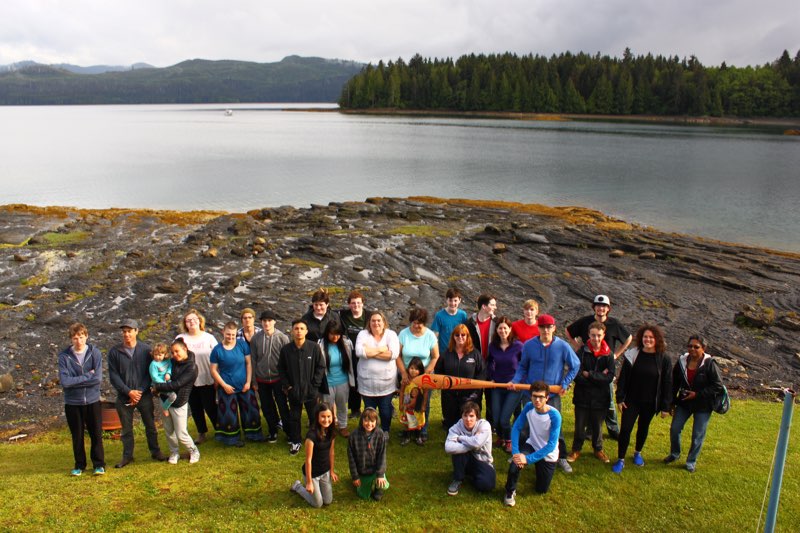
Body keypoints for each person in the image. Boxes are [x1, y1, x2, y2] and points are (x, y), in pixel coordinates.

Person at [510, 314, 579, 474]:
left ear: (554, 328)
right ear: (538, 328)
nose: (546, 330)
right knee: (526, 424)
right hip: (531, 394)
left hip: (551, 396)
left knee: (556, 426)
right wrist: (515, 380)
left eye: (549, 327)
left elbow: (575, 365)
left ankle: (560, 456)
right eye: (542, 327)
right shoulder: (529, 345)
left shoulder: (562, 346)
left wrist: (565, 382)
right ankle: (519, 454)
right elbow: (522, 367)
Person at [566, 294, 632, 440]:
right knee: (588, 400)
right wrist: (577, 346)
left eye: (604, 306)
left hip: (605, 369)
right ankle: (590, 431)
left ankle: (614, 429)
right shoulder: (585, 322)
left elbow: (629, 338)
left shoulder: (614, 324)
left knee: (608, 401)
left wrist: (617, 354)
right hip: (588, 366)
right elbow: (568, 331)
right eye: (598, 305)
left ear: (608, 308)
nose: (601, 308)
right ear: (594, 307)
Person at [612, 324, 672, 473]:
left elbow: (667, 382)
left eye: (651, 337)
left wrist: (666, 406)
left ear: (657, 339)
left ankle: (637, 453)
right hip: (631, 400)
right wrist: (620, 398)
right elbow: (623, 378)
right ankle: (620, 459)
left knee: (643, 428)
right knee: (625, 429)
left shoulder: (664, 358)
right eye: (645, 337)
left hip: (650, 402)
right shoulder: (633, 354)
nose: (648, 340)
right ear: (641, 338)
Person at [108, 319, 166, 467]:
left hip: (144, 395)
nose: (126, 334)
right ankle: (127, 456)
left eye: (129, 331)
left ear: (136, 331)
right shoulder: (115, 352)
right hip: (124, 396)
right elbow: (113, 376)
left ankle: (155, 451)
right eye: (124, 331)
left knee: (150, 425)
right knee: (126, 428)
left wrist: (139, 391)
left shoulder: (146, 350)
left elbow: (150, 373)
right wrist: (128, 392)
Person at [664, 335, 724, 473]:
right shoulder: (682, 361)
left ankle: (691, 461)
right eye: (690, 346)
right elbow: (674, 383)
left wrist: (697, 394)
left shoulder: (709, 363)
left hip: (703, 405)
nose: (692, 349)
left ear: (703, 348)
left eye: (696, 347)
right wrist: (671, 402)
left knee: (697, 434)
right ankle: (674, 454)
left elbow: (718, 385)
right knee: (675, 428)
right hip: (684, 402)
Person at [503, 381, 562, 506]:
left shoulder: (555, 416)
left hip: (548, 453)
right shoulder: (529, 407)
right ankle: (510, 491)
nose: (537, 400)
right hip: (532, 445)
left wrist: (528, 459)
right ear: (531, 396)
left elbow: (551, 445)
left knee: (541, 490)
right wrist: (516, 453)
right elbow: (516, 427)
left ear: (547, 398)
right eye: (535, 396)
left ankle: (538, 465)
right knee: (515, 464)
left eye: (541, 397)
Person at [58, 322, 105, 476]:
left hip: (92, 400)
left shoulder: (95, 353)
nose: (78, 341)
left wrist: (77, 380)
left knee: (96, 434)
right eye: (75, 338)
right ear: (71, 339)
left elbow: (97, 379)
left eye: (81, 337)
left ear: (86, 336)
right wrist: (87, 376)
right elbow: (65, 382)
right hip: (72, 403)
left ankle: (99, 464)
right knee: (77, 436)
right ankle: (79, 465)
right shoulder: (64, 357)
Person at [209, 321, 265, 446]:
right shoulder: (217, 350)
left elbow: (249, 364)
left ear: (236, 334)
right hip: (227, 387)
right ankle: (232, 439)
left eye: (233, 335)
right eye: (228, 334)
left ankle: (254, 435)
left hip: (244, 385)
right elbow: (213, 370)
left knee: (251, 410)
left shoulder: (242, 345)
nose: (230, 337)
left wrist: (248, 382)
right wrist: (224, 385)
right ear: (223, 332)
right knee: (229, 414)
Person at [567, 321, 615, 464]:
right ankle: (576, 449)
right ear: (588, 335)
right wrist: (598, 376)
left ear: (603, 335)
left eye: (599, 335)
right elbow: (576, 374)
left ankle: (598, 449)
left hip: (601, 398)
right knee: (580, 426)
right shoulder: (581, 352)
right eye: (593, 335)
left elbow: (610, 376)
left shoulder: (609, 355)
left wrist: (590, 375)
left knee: (597, 426)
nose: (596, 338)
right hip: (582, 396)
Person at [279, 319, 327, 455]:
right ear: (292, 331)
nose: (299, 331)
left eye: (301, 328)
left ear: (306, 331)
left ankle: (314, 440)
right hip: (293, 391)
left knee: (313, 417)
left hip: (311, 391)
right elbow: (281, 369)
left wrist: (315, 386)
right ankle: (295, 441)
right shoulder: (286, 350)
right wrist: (287, 387)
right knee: (294, 417)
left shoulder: (314, 348)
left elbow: (321, 366)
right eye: (296, 328)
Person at [153, 339, 200, 465]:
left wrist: (157, 387)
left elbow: (177, 385)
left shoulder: (192, 367)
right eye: (172, 352)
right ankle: (174, 453)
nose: (175, 355)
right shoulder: (171, 362)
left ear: (185, 349)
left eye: (177, 351)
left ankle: (193, 450)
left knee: (181, 433)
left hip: (179, 403)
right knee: (169, 431)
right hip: (165, 401)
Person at [176, 309, 219, 445]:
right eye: (188, 320)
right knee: (195, 408)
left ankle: (220, 429)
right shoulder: (180, 339)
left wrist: (218, 377)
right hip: (188, 381)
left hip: (207, 377)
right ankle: (202, 432)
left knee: (210, 406)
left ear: (200, 321)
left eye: (194, 319)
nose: (192, 322)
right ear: (185, 324)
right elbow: (175, 356)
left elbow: (218, 356)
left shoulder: (209, 337)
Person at [355, 311, 400, 436]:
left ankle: (385, 430)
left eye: (378, 320)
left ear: (384, 322)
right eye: (373, 321)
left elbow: (394, 354)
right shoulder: (362, 334)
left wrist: (369, 352)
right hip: (366, 383)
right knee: (369, 410)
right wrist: (382, 349)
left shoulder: (391, 335)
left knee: (385, 411)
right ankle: (370, 432)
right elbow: (359, 352)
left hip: (386, 383)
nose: (376, 323)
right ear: (369, 323)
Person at [397, 307, 439, 441]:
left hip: (424, 375)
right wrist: (403, 373)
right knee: (407, 402)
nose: (416, 326)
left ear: (424, 323)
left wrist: (426, 373)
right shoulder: (403, 334)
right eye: (414, 322)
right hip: (408, 374)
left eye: (419, 323)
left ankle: (422, 430)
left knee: (422, 403)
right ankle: (408, 429)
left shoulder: (430, 335)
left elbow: (435, 356)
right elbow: (397, 355)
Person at [250, 310, 290, 443]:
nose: (267, 323)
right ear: (261, 322)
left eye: (269, 320)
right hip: (262, 379)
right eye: (264, 321)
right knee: (267, 407)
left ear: (274, 322)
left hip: (278, 379)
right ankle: (272, 431)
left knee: (283, 406)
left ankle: (289, 432)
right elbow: (253, 360)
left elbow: (287, 362)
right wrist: (254, 381)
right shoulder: (255, 338)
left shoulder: (282, 338)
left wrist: (286, 382)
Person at [435, 324, 485, 430]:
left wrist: (475, 393)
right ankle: (453, 443)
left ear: (467, 336)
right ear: (453, 337)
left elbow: (482, 374)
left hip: (469, 397)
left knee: (469, 423)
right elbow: (438, 371)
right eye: (457, 335)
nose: (460, 337)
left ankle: (470, 444)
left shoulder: (475, 354)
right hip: (450, 396)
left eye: (463, 335)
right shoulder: (446, 354)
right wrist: (444, 386)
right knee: (451, 424)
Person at [290, 402, 339, 508]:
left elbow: (331, 452)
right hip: (313, 474)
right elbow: (308, 460)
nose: (326, 420)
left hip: (325, 471)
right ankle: (298, 486)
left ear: (332, 416)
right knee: (318, 504)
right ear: (317, 417)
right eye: (323, 416)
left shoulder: (332, 432)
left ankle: (319, 489)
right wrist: (309, 482)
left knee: (328, 501)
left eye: (328, 416)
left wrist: (331, 471)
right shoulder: (311, 436)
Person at [487, 316, 523, 453]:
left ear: (510, 329)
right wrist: (491, 377)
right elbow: (490, 362)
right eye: (500, 328)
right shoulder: (493, 346)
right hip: (498, 386)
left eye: (505, 328)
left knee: (504, 419)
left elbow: (524, 366)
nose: (502, 331)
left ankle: (509, 441)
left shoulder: (518, 346)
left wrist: (516, 381)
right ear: (496, 330)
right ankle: (501, 437)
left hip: (514, 387)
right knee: (496, 418)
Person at [445, 401, 496, 496]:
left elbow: (477, 443)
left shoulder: (484, 425)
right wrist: (472, 442)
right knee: (457, 452)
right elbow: (448, 448)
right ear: (462, 416)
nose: (468, 419)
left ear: (477, 417)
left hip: (483, 460)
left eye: (471, 416)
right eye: (465, 415)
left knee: (486, 486)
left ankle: (473, 474)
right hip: (465, 458)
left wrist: (460, 438)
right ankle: (458, 478)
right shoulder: (456, 427)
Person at [318, 321, 355, 437]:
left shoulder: (346, 343)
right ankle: (327, 427)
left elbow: (351, 362)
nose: (335, 337)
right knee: (327, 406)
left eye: (338, 334)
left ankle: (343, 426)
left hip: (342, 381)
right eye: (332, 334)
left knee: (342, 405)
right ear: (327, 333)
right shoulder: (320, 344)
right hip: (327, 382)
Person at [347, 407, 389, 501]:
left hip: (375, 470)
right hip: (362, 470)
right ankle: (363, 483)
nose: (369, 424)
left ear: (376, 421)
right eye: (366, 420)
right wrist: (355, 476)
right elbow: (351, 459)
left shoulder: (380, 434)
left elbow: (382, 456)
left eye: (372, 421)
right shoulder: (353, 436)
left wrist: (380, 474)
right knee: (363, 495)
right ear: (361, 420)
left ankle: (379, 488)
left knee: (381, 483)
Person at [339, 290, 369, 419]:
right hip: (350, 353)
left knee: (369, 379)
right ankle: (355, 409)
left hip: (366, 352)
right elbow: (326, 311)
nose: (356, 305)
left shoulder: (369, 315)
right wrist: (325, 297)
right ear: (349, 305)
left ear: (362, 303)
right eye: (353, 303)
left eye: (358, 303)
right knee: (353, 381)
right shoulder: (344, 315)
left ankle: (377, 406)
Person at [430, 288, 468, 362]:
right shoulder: (439, 315)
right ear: (446, 300)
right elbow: (434, 336)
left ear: (460, 300)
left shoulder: (463, 315)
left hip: (459, 353)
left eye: (455, 300)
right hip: (444, 354)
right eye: (450, 300)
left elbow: (466, 334)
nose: (453, 303)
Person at [399, 357, 427, 446]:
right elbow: (402, 392)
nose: (413, 371)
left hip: (417, 407)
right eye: (411, 368)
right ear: (408, 368)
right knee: (407, 421)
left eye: (416, 369)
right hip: (407, 406)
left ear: (420, 370)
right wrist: (400, 403)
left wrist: (423, 405)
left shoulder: (423, 381)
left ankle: (418, 436)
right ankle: (406, 436)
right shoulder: (405, 380)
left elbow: (426, 393)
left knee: (418, 421)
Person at [149, 343, 177, 417]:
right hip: (159, 384)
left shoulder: (167, 361)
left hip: (167, 381)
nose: (158, 357)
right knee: (173, 396)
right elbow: (154, 377)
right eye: (156, 354)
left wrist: (168, 373)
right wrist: (164, 384)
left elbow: (170, 367)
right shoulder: (153, 364)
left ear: (165, 354)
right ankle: (165, 408)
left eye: (160, 355)